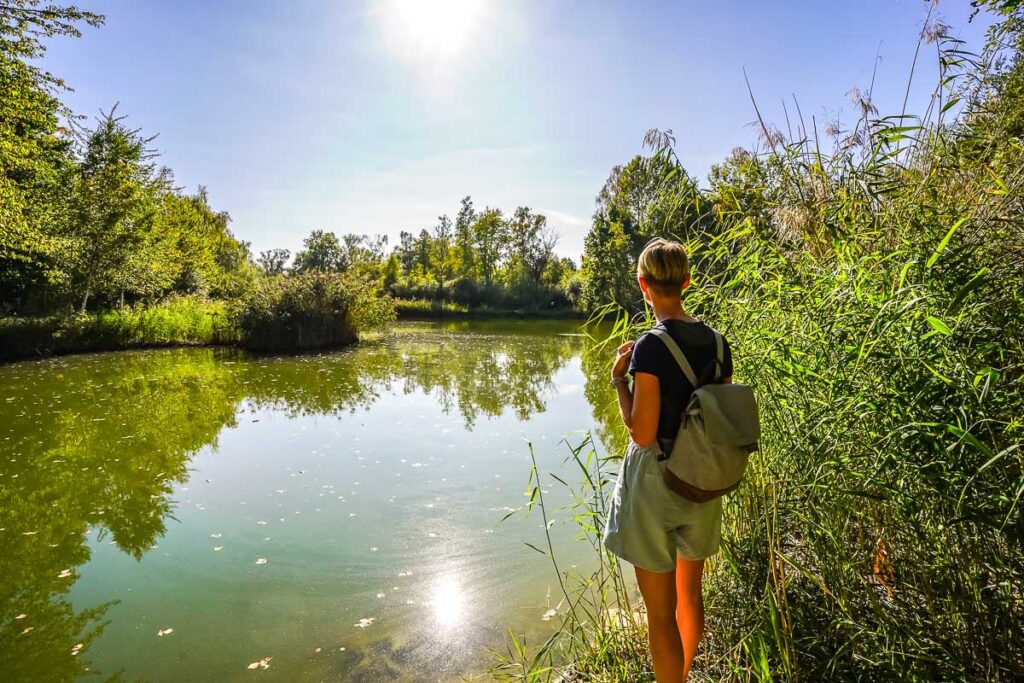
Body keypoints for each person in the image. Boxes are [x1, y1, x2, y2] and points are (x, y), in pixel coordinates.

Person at [603, 237, 733, 682]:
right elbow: (716, 421)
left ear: (644, 285)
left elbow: (642, 433)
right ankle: (683, 673)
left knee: (660, 614)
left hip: (657, 484)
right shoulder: (719, 345)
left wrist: (620, 382)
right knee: (690, 596)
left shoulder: (650, 347)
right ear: (686, 282)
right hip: (702, 480)